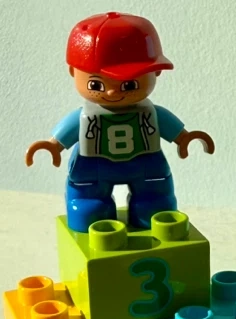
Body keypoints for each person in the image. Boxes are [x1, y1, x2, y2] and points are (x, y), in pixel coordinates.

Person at [25, 12, 214, 232]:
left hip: (146, 164)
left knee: (154, 203)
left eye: (129, 85)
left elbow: (169, 126)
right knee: (89, 209)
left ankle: (149, 206)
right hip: (94, 167)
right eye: (96, 84)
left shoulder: (151, 113)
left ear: (156, 73)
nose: (112, 92)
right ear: (73, 72)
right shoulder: (85, 116)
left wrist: (184, 138)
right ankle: (90, 206)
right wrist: (53, 145)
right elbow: (67, 131)